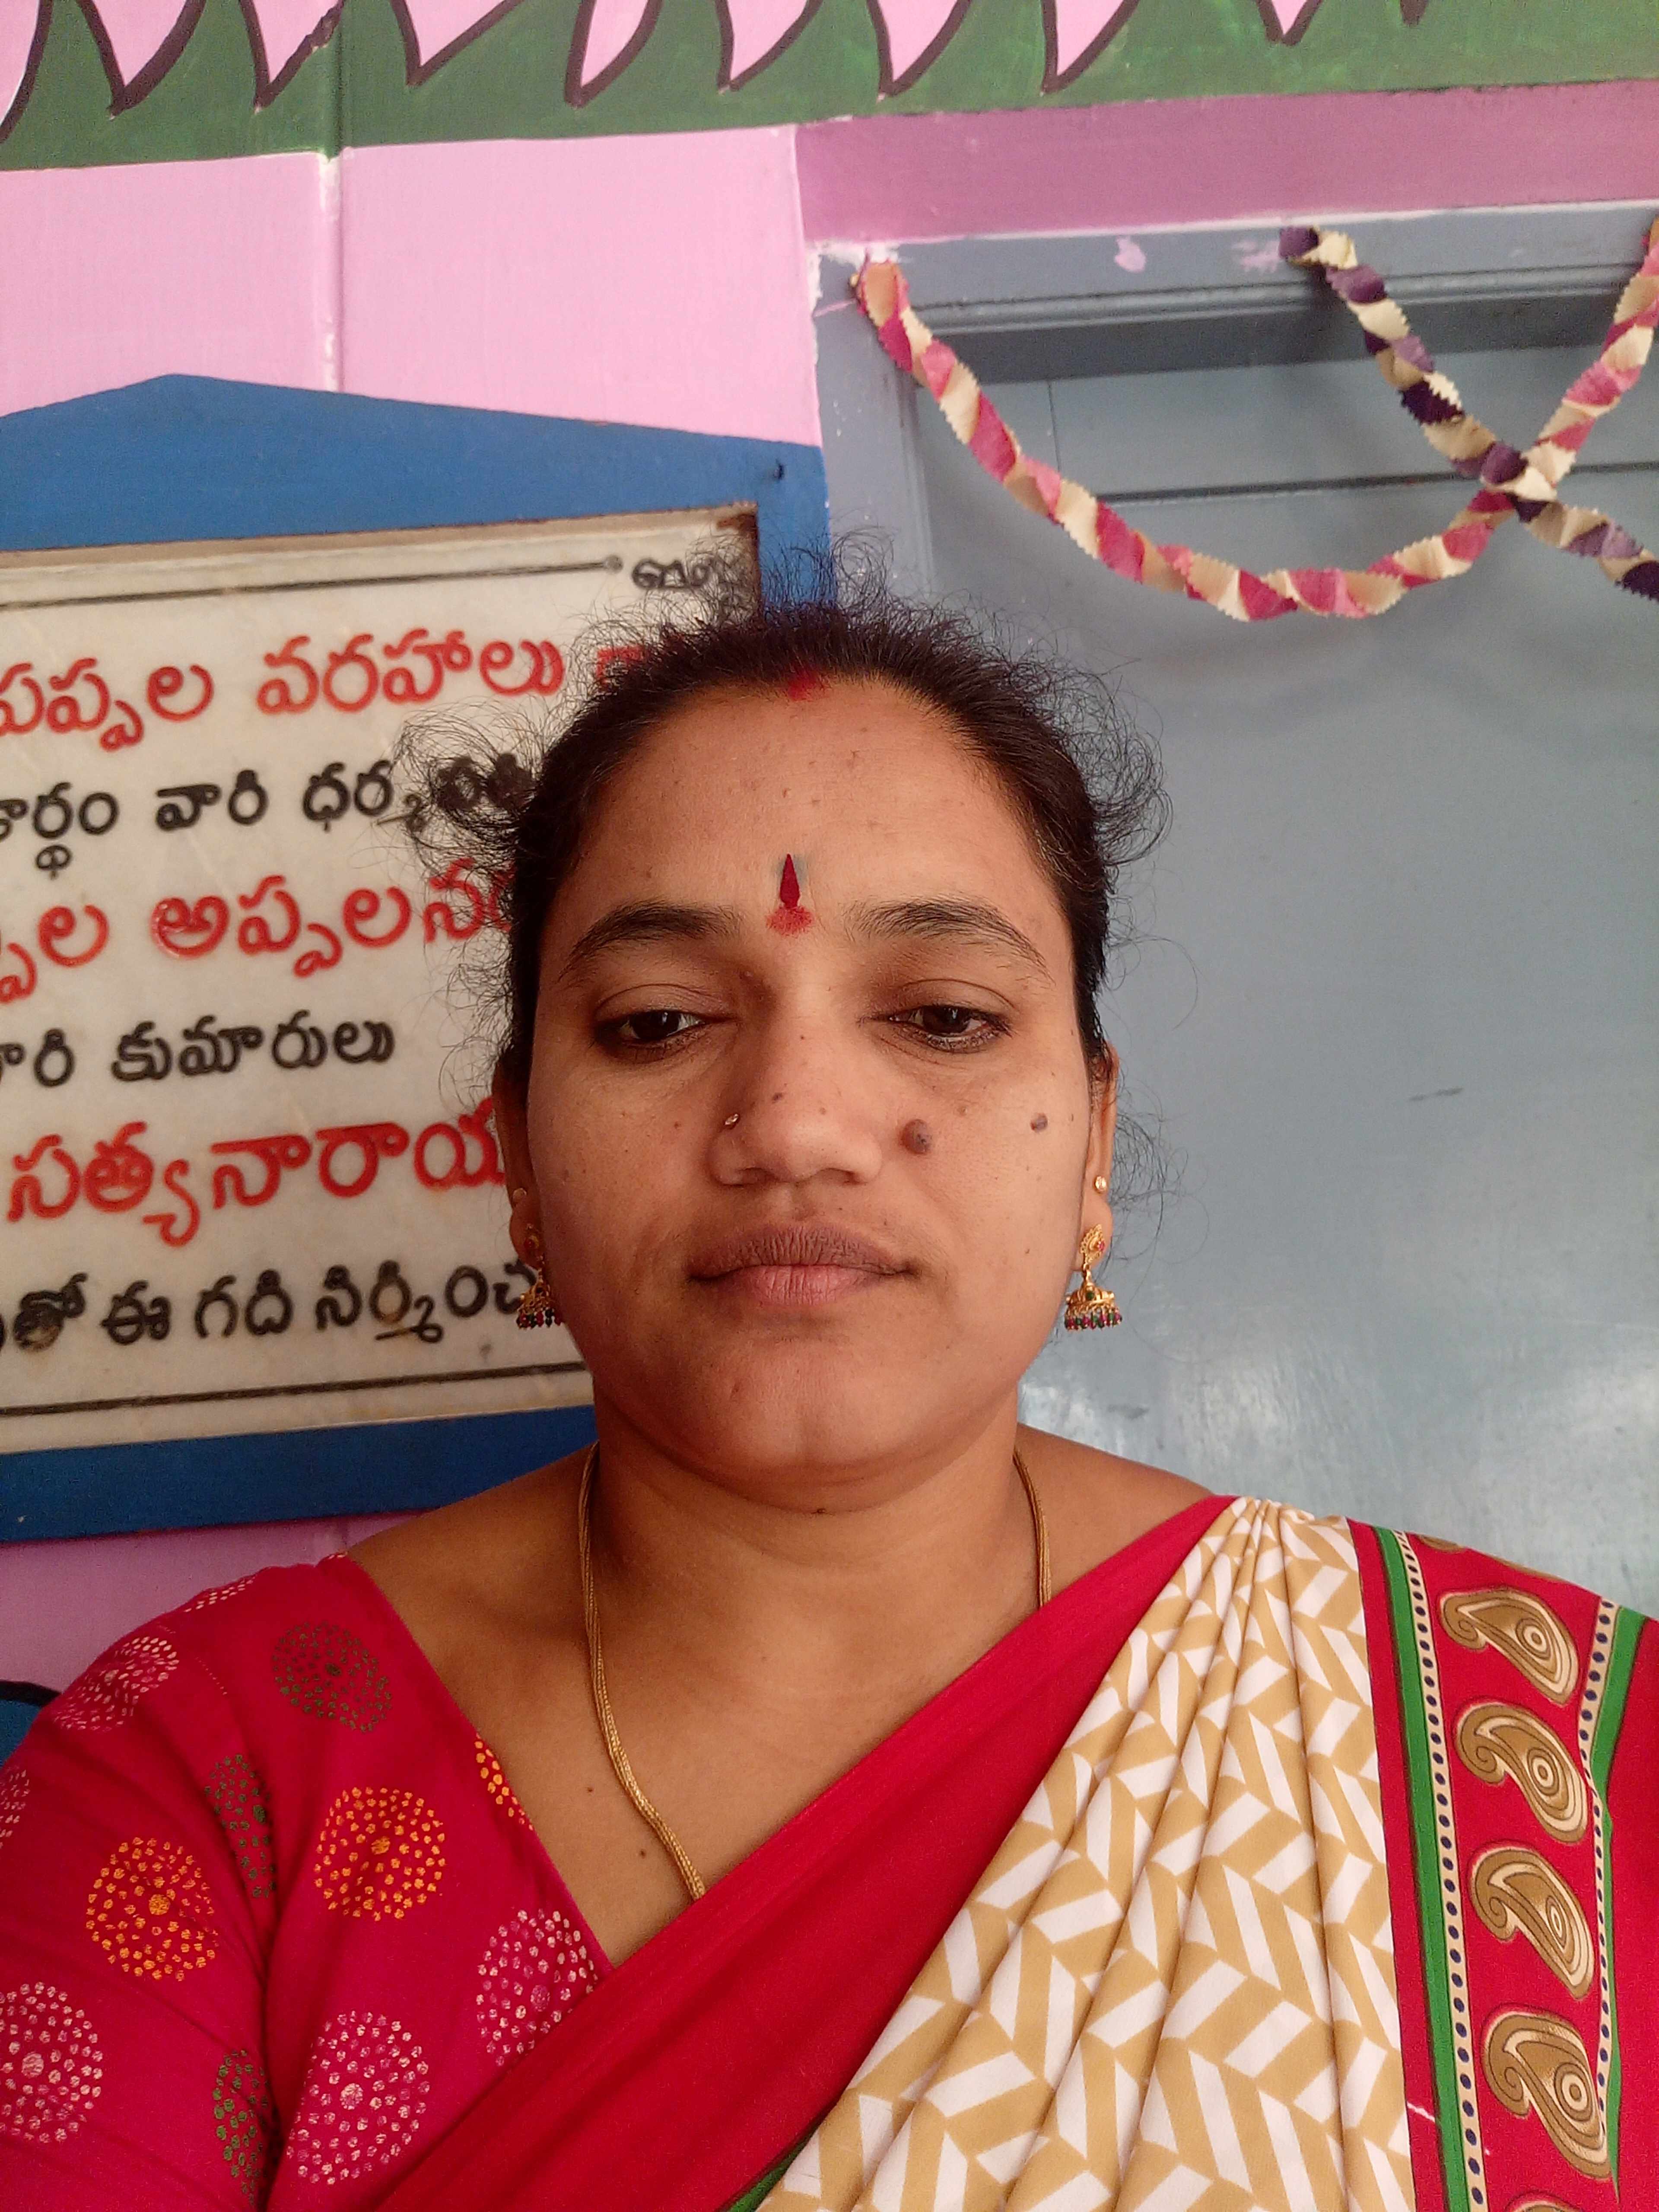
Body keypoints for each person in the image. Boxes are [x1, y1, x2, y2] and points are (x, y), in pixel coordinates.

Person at [0, 566, 1652, 2212]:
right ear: (516, 1154)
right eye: (658, 1022)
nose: (793, 1123)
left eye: (942, 1014)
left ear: (1092, 1137)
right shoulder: (206, 1784)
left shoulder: (1527, 1759)